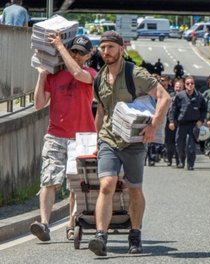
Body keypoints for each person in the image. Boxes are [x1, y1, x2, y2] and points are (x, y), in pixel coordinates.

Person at [89, 31, 171, 256]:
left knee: (134, 189)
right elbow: (101, 112)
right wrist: (97, 141)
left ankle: (135, 233)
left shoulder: (135, 74)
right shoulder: (99, 79)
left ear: (121, 49)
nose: (106, 51)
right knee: (107, 184)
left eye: (111, 47)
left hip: (134, 140)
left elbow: (164, 97)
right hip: (108, 138)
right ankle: (100, 237)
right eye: (103, 47)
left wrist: (153, 125)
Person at [29, 34, 96, 242]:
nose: (76, 56)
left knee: (76, 184)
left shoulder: (91, 73)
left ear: (88, 56)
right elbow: (39, 104)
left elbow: (77, 73)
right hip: (55, 134)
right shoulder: (54, 76)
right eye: (73, 51)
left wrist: (59, 45)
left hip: (82, 136)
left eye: (81, 53)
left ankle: (72, 222)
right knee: (48, 180)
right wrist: (42, 75)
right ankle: (44, 224)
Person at [168, 76, 207, 170]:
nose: (190, 85)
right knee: (179, 144)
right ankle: (181, 160)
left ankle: (190, 164)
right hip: (181, 124)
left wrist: (201, 120)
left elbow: (204, 110)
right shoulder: (180, 96)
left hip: (193, 124)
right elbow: (173, 109)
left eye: (192, 83)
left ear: (194, 85)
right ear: (185, 85)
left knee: (191, 146)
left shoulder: (199, 96)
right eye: (188, 83)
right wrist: (171, 121)